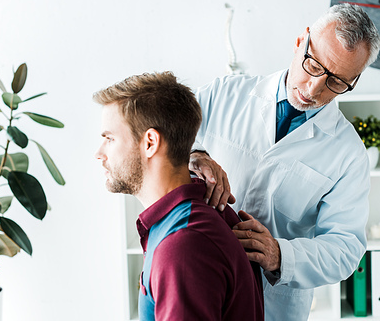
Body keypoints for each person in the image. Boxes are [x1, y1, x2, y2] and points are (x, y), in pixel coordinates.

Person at [189, 4, 380, 321]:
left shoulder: (348, 154)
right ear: (300, 42)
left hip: (273, 304)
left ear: (354, 82)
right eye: (313, 65)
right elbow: (166, 133)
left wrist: (281, 254)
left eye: (337, 82)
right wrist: (195, 154)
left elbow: (345, 249)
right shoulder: (225, 93)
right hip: (199, 276)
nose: (314, 88)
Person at [94, 72, 264, 321]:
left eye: (109, 139)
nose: (99, 154)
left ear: (150, 142)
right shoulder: (194, 213)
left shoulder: (183, 245)